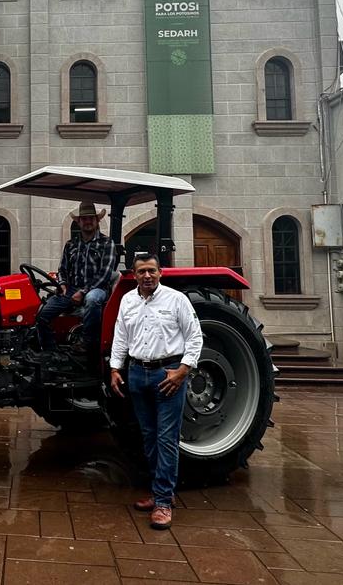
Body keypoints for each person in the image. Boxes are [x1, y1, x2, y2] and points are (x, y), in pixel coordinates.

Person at [109, 254, 203, 530]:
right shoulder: (128, 300)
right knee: (148, 437)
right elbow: (121, 336)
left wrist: (183, 371)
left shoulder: (176, 299)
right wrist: (116, 368)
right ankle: (160, 490)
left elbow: (195, 336)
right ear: (134, 275)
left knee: (166, 438)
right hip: (137, 373)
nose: (147, 276)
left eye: (152, 271)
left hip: (167, 374)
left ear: (160, 272)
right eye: (141, 272)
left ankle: (163, 501)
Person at [36, 201, 118, 353]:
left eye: (91, 218)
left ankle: (88, 342)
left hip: (97, 288)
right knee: (42, 314)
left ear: (97, 220)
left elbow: (105, 273)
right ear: (79, 222)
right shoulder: (71, 244)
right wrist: (62, 284)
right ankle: (51, 353)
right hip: (71, 289)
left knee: (93, 299)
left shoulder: (106, 243)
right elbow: (62, 268)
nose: (87, 222)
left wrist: (83, 292)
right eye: (84, 219)